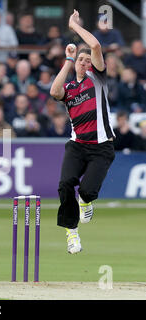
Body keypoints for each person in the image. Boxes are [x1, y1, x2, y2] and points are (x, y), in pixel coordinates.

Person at [49, 10, 116, 255]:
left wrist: (74, 26)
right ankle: (71, 233)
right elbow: (55, 93)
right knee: (65, 184)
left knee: (87, 191)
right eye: (81, 60)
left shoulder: (97, 77)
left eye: (88, 61)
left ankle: (86, 202)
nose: (85, 63)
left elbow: (95, 45)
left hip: (102, 146)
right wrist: (68, 60)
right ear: (75, 63)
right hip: (77, 145)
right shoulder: (68, 86)